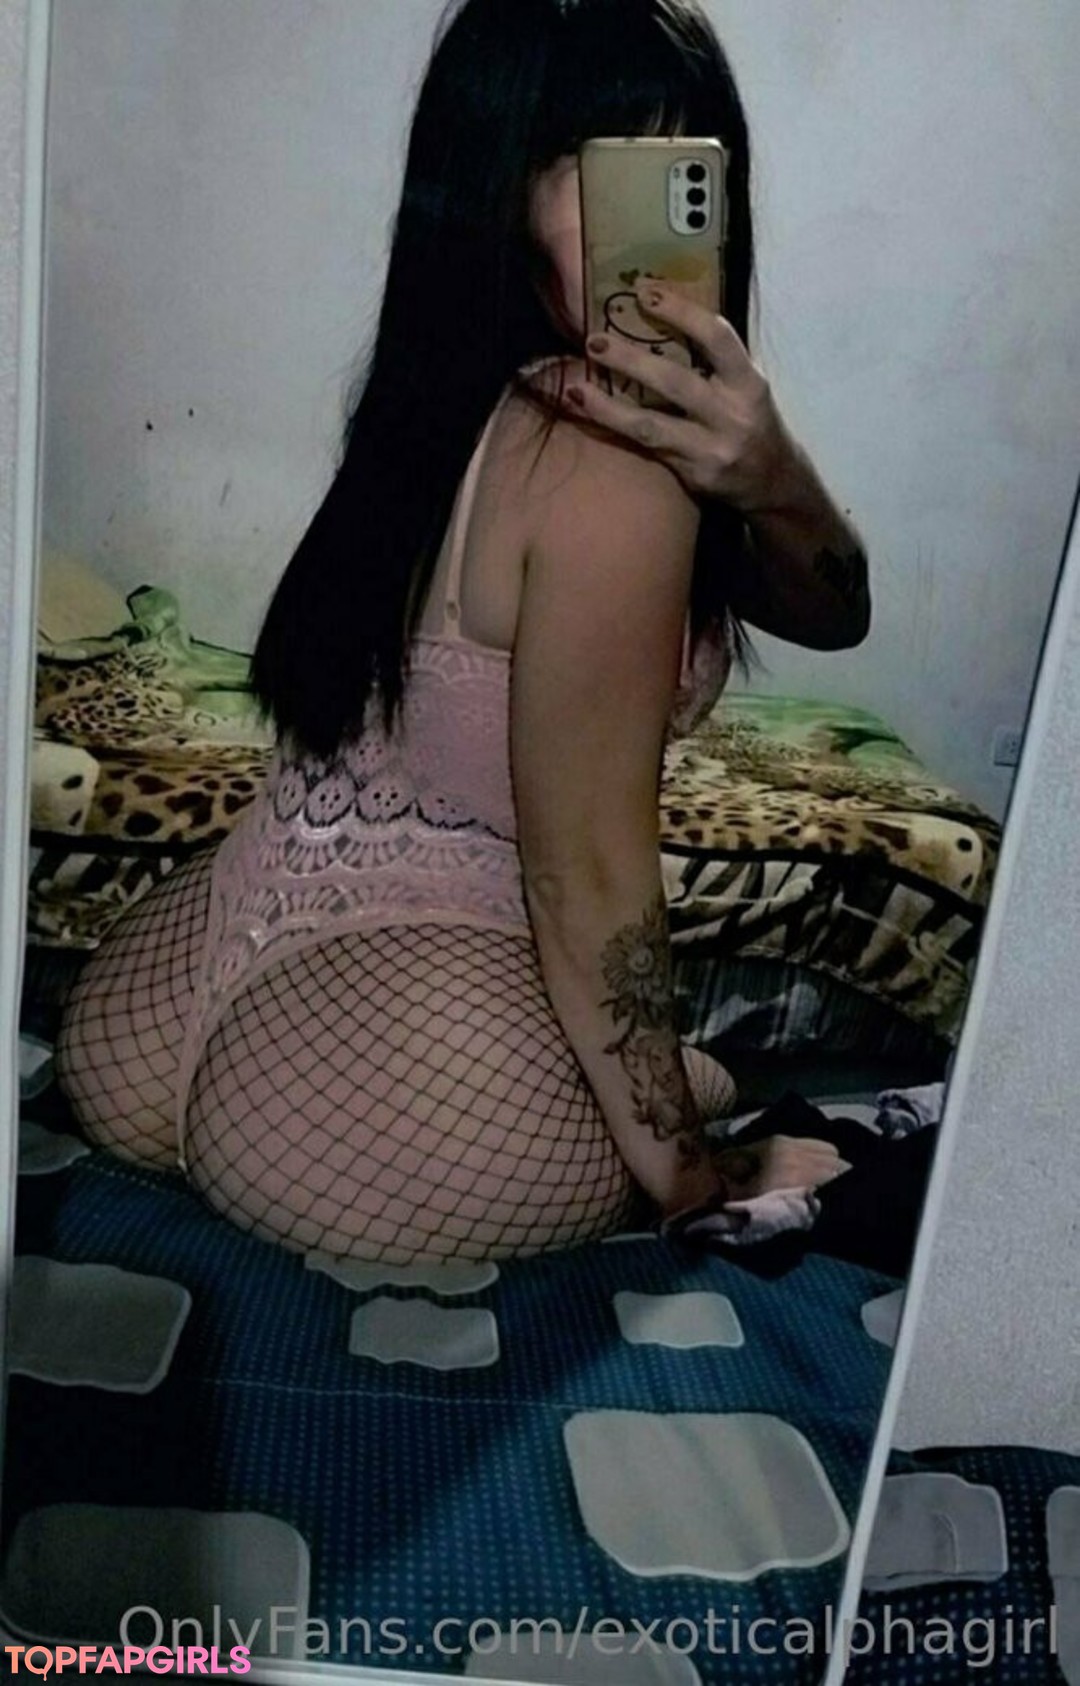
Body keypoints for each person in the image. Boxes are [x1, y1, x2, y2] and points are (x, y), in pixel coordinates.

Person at [56, 0, 867, 1264]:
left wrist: (772, 476)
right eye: (589, 165)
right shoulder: (606, 460)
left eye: (677, 167)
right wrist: (696, 1173)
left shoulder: (439, 405)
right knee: (688, 1095)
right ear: (497, 186)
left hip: (162, 1003)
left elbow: (834, 611)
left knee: (689, 1071)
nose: (645, 228)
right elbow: (584, 872)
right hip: (391, 1064)